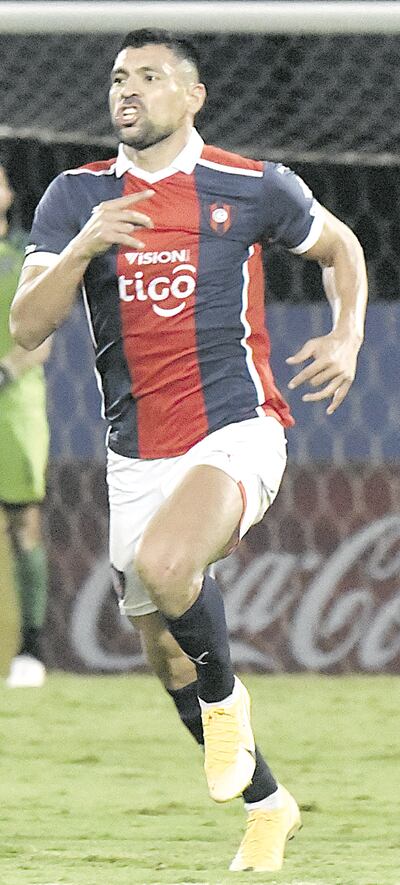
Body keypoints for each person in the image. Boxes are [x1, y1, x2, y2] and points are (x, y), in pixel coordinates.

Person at [10, 29, 368, 872]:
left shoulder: (250, 186)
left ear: (193, 95)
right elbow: (27, 323)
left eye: (147, 76)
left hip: (239, 428)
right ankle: (268, 802)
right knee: (164, 648)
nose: (125, 90)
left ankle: (226, 705)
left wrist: (348, 335)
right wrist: (86, 244)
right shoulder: (76, 196)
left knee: (171, 567)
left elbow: (342, 247)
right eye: (115, 77)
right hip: (135, 457)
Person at [0, 162, 51, 688]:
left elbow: (43, 337)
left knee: (23, 524)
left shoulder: (25, 256)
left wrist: (5, 371)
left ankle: (31, 651)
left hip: (14, 407)